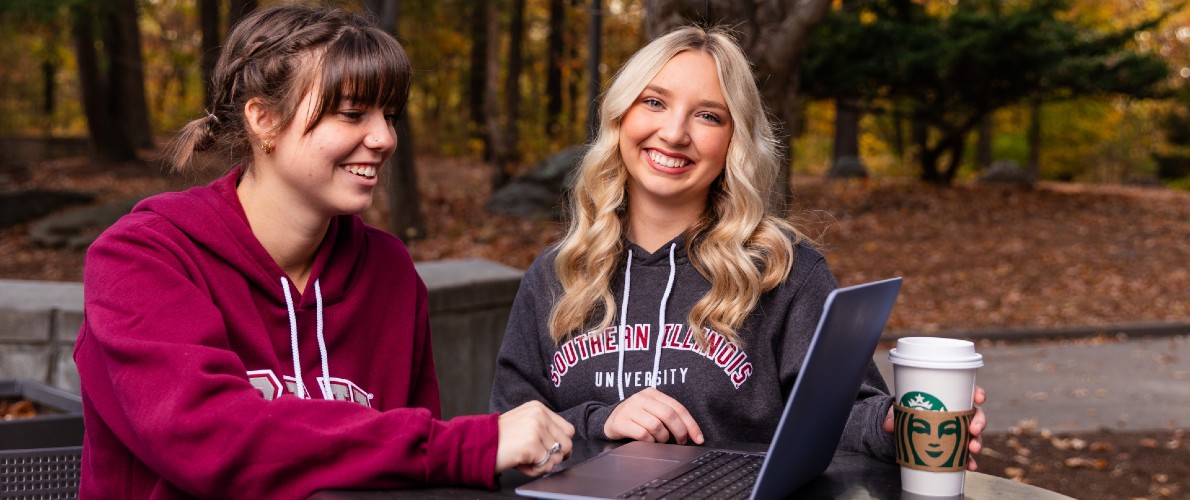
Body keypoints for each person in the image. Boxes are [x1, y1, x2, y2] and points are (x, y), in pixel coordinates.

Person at [74, 4, 572, 497]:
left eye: (390, 115)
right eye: (352, 113)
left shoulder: (389, 271)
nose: (383, 138)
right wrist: (470, 446)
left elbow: (408, 478)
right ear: (264, 119)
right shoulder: (142, 257)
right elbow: (210, 439)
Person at [489, 25, 986, 465]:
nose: (675, 132)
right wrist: (602, 421)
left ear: (734, 142)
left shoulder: (782, 270)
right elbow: (511, 430)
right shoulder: (557, 273)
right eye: (654, 102)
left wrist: (895, 426)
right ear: (621, 116)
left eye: (708, 116)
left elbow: (844, 412)